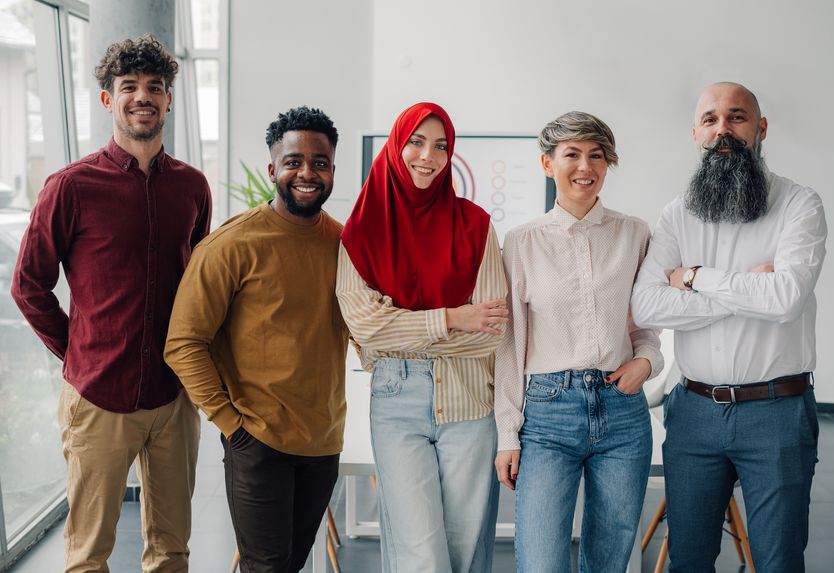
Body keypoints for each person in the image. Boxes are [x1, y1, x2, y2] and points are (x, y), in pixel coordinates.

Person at [10, 34, 211, 572]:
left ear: (169, 99)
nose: (142, 96)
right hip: (98, 397)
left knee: (172, 550)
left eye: (155, 87)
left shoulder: (193, 187)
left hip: (173, 398)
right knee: (88, 553)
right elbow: (29, 285)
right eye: (129, 87)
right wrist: (78, 351)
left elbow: (197, 286)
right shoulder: (70, 187)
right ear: (108, 99)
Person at [631, 82, 827, 572]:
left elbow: (784, 299)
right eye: (711, 120)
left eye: (737, 118)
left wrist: (695, 279)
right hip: (693, 411)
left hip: (776, 411)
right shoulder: (678, 214)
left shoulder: (800, 204)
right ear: (696, 133)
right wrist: (743, 294)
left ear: (760, 129)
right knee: (689, 560)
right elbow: (647, 306)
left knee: (778, 560)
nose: (724, 130)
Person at [164, 106, 348, 572]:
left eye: (319, 162)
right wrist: (232, 426)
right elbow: (184, 343)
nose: (306, 173)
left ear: (332, 170)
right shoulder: (232, 245)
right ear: (273, 169)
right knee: (265, 567)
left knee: (290, 564)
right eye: (293, 162)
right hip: (257, 442)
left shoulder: (346, 245)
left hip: (323, 443)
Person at [336, 102, 508, 573]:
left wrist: (401, 329)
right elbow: (365, 326)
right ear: (397, 145)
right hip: (397, 402)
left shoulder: (476, 226)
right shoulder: (360, 231)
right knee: (420, 555)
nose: (427, 156)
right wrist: (453, 318)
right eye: (416, 141)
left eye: (441, 146)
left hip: (470, 400)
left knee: (464, 547)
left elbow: (491, 333)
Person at [494, 111, 663, 573]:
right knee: (541, 561)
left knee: (610, 561)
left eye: (596, 155)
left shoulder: (635, 233)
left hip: (623, 412)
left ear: (608, 164)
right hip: (547, 414)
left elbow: (644, 323)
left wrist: (647, 361)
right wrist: (508, 435)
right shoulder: (522, 242)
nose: (585, 166)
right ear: (548, 164)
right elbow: (510, 345)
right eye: (572, 154)